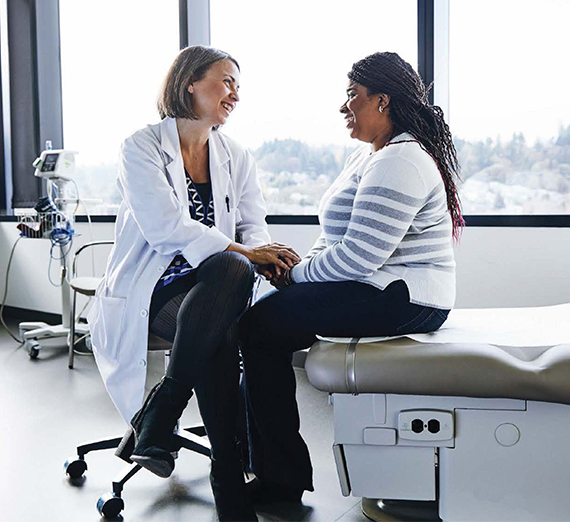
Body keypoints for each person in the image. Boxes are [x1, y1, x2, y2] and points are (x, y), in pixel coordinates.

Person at [238, 51, 463, 504]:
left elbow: (359, 258)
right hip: (377, 288)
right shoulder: (369, 157)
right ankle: (266, 467)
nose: (344, 107)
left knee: (258, 328)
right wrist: (293, 270)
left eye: (351, 97)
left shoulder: (401, 161)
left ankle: (279, 480)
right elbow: (334, 241)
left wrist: (295, 277)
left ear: (382, 101)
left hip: (404, 298)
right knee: (261, 321)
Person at [87, 45, 300, 522]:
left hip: (216, 285)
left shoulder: (236, 154)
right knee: (221, 315)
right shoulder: (141, 147)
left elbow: (254, 224)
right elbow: (165, 228)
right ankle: (227, 477)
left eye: (238, 87)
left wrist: (262, 253)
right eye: (226, 82)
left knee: (227, 278)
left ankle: (165, 409)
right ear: (189, 82)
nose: (235, 95)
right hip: (154, 284)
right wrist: (248, 254)